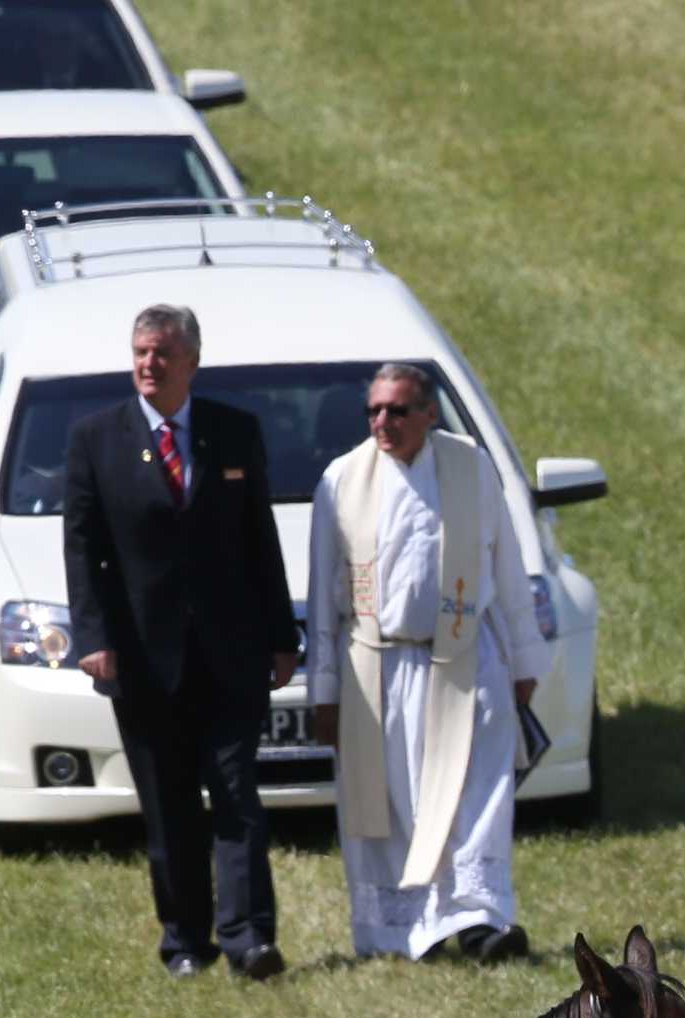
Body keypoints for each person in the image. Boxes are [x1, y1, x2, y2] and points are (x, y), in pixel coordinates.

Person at [63, 304, 300, 979]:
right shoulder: (96, 440)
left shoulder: (234, 432)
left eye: (163, 353)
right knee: (169, 807)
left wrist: (281, 637)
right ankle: (185, 939)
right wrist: (94, 638)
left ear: (192, 360)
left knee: (235, 796)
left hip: (230, 656)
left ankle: (249, 934)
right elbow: (82, 548)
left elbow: (260, 539)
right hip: (142, 661)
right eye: (141, 351)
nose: (149, 363)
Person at [306, 364, 551, 963]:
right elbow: (321, 595)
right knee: (394, 803)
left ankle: (482, 919)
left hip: (466, 659)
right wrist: (325, 690)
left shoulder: (470, 468)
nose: (382, 423)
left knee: (475, 792)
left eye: (397, 410)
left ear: (429, 413)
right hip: (378, 669)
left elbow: (508, 567)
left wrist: (523, 658)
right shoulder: (343, 480)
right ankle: (405, 928)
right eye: (374, 411)